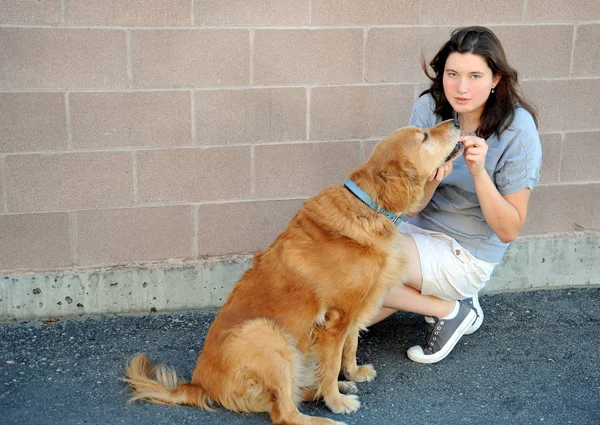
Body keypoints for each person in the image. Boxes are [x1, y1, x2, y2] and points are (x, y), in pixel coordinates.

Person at [369, 26, 542, 364]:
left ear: (496, 79)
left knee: (362, 267)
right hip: (418, 232)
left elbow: (508, 230)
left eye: (475, 76)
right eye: (453, 74)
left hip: (469, 251)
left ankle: (448, 310)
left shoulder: (518, 129)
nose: (462, 88)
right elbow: (410, 208)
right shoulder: (429, 109)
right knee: (349, 311)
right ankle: (450, 302)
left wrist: (479, 174)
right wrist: (431, 179)